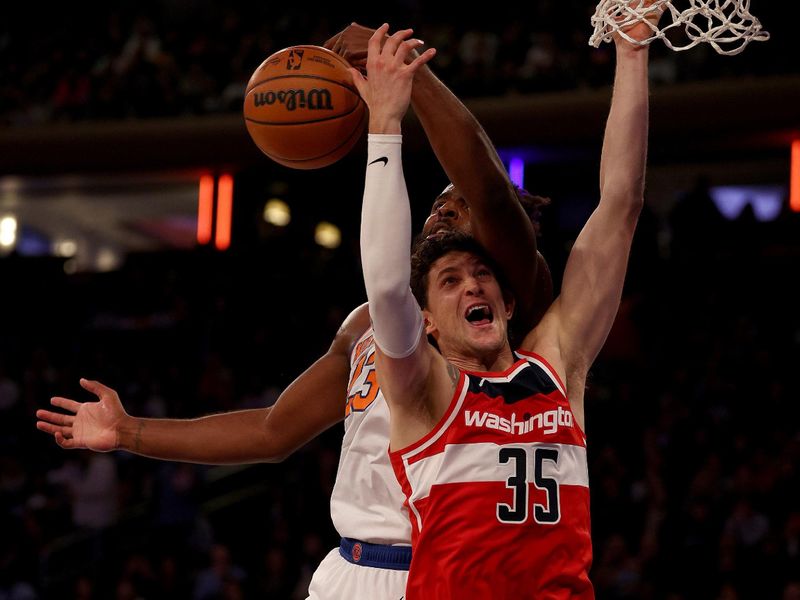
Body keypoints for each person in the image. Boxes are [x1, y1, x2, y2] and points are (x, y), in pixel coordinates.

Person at [35, 23, 551, 600]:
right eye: (435, 208)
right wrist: (131, 432)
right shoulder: (367, 324)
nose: (437, 218)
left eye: (455, 213)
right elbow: (273, 430)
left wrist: (406, 73)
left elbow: (486, 184)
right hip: (350, 569)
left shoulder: (514, 304)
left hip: (452, 573)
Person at [353, 11, 657, 598]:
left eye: (482, 274)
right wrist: (385, 123)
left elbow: (621, 206)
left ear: (509, 302)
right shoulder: (424, 395)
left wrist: (632, 51)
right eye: (449, 281)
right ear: (429, 326)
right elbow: (388, 287)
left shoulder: (556, 366)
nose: (472, 285)